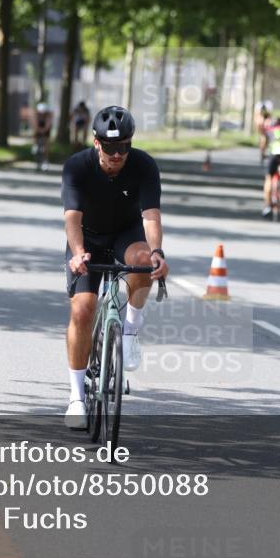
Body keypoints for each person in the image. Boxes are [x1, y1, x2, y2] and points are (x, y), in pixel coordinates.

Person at [60, 106, 169, 429]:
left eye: (124, 146)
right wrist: (78, 253)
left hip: (126, 234)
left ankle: (131, 331)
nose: (117, 154)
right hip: (87, 238)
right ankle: (77, 397)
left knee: (143, 261)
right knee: (83, 309)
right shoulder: (77, 167)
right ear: (96, 143)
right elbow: (72, 219)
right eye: (110, 148)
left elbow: (150, 216)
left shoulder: (144, 165)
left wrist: (159, 252)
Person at [259, 117, 280, 218]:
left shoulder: (269, 131)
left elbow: (263, 143)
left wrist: (262, 154)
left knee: (269, 177)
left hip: (273, 154)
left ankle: (268, 205)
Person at [32, 102, 54, 171]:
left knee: (46, 146)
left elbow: (48, 126)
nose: (42, 114)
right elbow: (35, 126)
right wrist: (39, 131)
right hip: (38, 130)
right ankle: (35, 146)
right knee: (36, 137)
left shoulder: (48, 116)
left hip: (46, 130)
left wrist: (43, 131)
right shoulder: (36, 116)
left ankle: (45, 161)